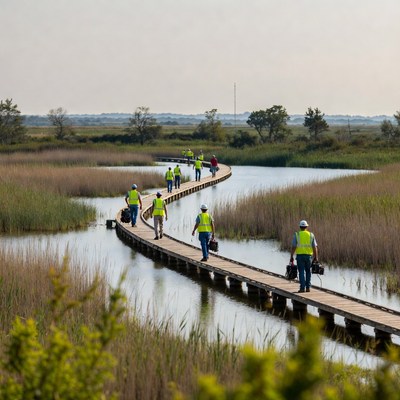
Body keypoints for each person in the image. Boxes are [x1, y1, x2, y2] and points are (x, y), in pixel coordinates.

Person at [290, 220, 318, 293]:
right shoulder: (311, 235)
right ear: (306, 227)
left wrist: (291, 256)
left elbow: (293, 246)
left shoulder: (297, 234)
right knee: (308, 271)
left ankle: (302, 288)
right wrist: (316, 257)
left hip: (300, 256)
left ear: (300, 227)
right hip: (309, 256)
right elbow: (315, 247)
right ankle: (308, 287)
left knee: (301, 271)